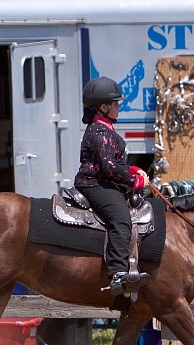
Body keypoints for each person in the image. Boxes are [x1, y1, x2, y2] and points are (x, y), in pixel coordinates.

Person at [74, 76, 151, 295]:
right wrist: (134, 179)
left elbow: (113, 163)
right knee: (121, 218)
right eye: (115, 103)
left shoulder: (104, 128)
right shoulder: (99, 131)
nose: (119, 106)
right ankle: (118, 273)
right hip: (94, 183)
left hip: (103, 180)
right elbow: (108, 167)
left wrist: (132, 170)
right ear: (103, 106)